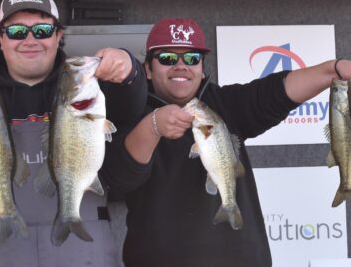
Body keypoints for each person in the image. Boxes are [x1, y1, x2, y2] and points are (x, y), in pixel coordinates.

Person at [100, 17, 351, 267]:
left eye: (191, 58)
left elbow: (278, 92)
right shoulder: (128, 111)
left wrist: (334, 69)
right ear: (148, 69)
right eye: (167, 58)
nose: (181, 66)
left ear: (201, 67)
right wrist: (153, 126)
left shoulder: (224, 104)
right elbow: (120, 178)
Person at [0, 0, 147, 267]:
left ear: (58, 36)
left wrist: (131, 70)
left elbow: (132, 105)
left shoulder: (94, 92)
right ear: (0, 38)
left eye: (42, 30)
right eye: (18, 31)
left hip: (83, 253)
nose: (30, 40)